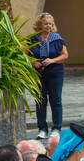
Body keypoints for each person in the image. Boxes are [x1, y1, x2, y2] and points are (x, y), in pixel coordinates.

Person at [29, 12, 69, 140]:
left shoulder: (56, 38)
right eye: (46, 23)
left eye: (50, 24)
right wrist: (33, 62)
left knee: (55, 100)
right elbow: (25, 55)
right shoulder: (33, 39)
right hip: (38, 74)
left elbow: (65, 55)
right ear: (40, 24)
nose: (48, 26)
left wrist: (52, 60)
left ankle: (56, 128)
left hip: (55, 73)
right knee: (40, 101)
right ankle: (42, 129)